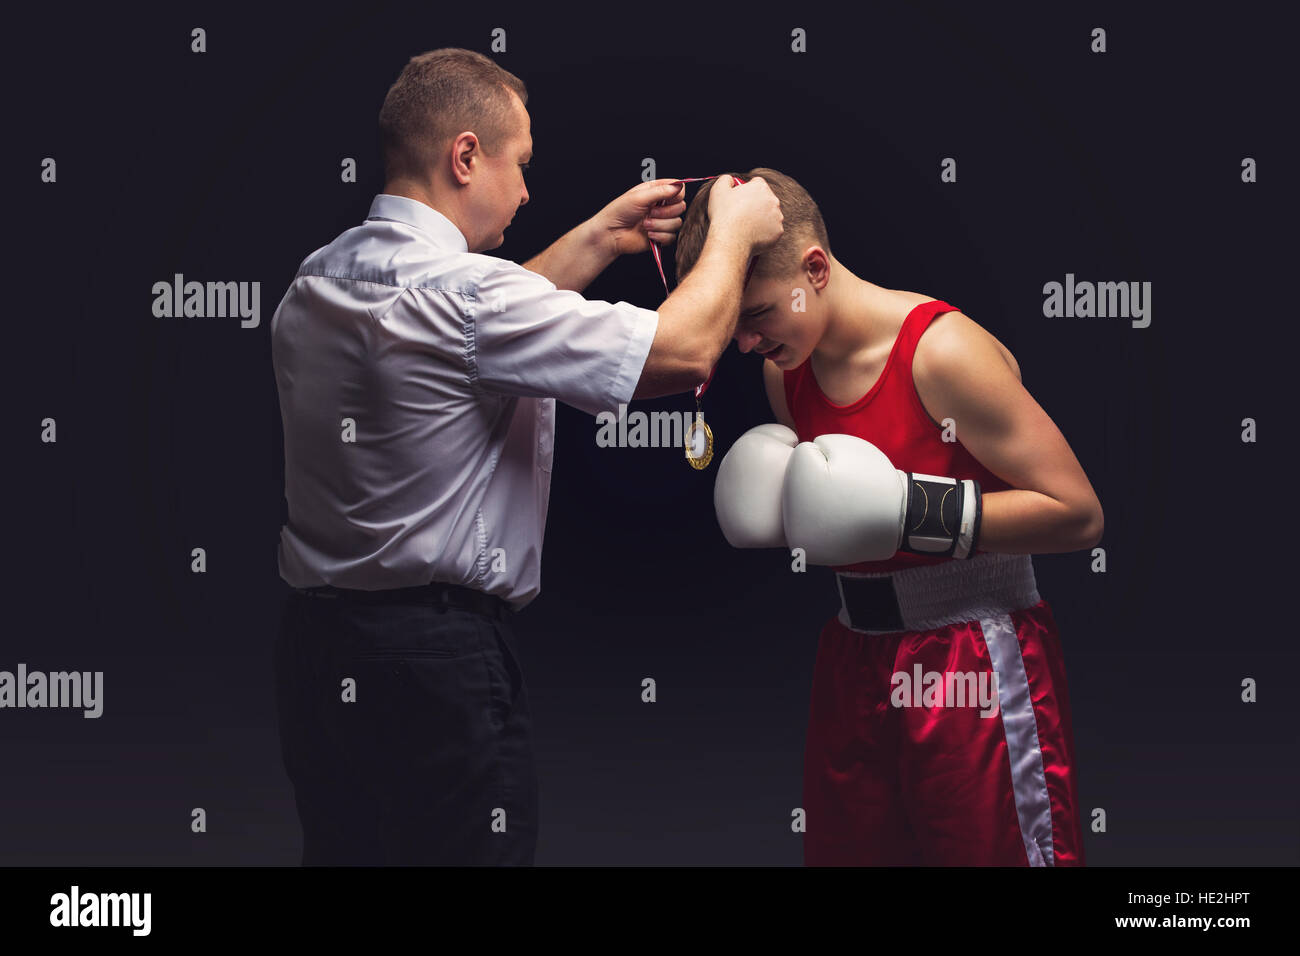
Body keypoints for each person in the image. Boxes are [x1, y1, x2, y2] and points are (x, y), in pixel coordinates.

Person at [269, 49, 782, 865]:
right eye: (522, 164)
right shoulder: (467, 299)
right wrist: (734, 233)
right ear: (465, 156)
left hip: (320, 654)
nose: (528, 191)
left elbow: (470, 340)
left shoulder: (317, 279)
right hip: (436, 665)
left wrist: (599, 238)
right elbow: (681, 351)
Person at [679, 167, 1102, 866]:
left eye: (755, 316)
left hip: (973, 660)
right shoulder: (786, 373)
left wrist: (912, 512)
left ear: (813, 269)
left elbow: (1079, 515)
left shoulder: (942, 353)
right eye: (733, 325)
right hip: (853, 657)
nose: (745, 343)